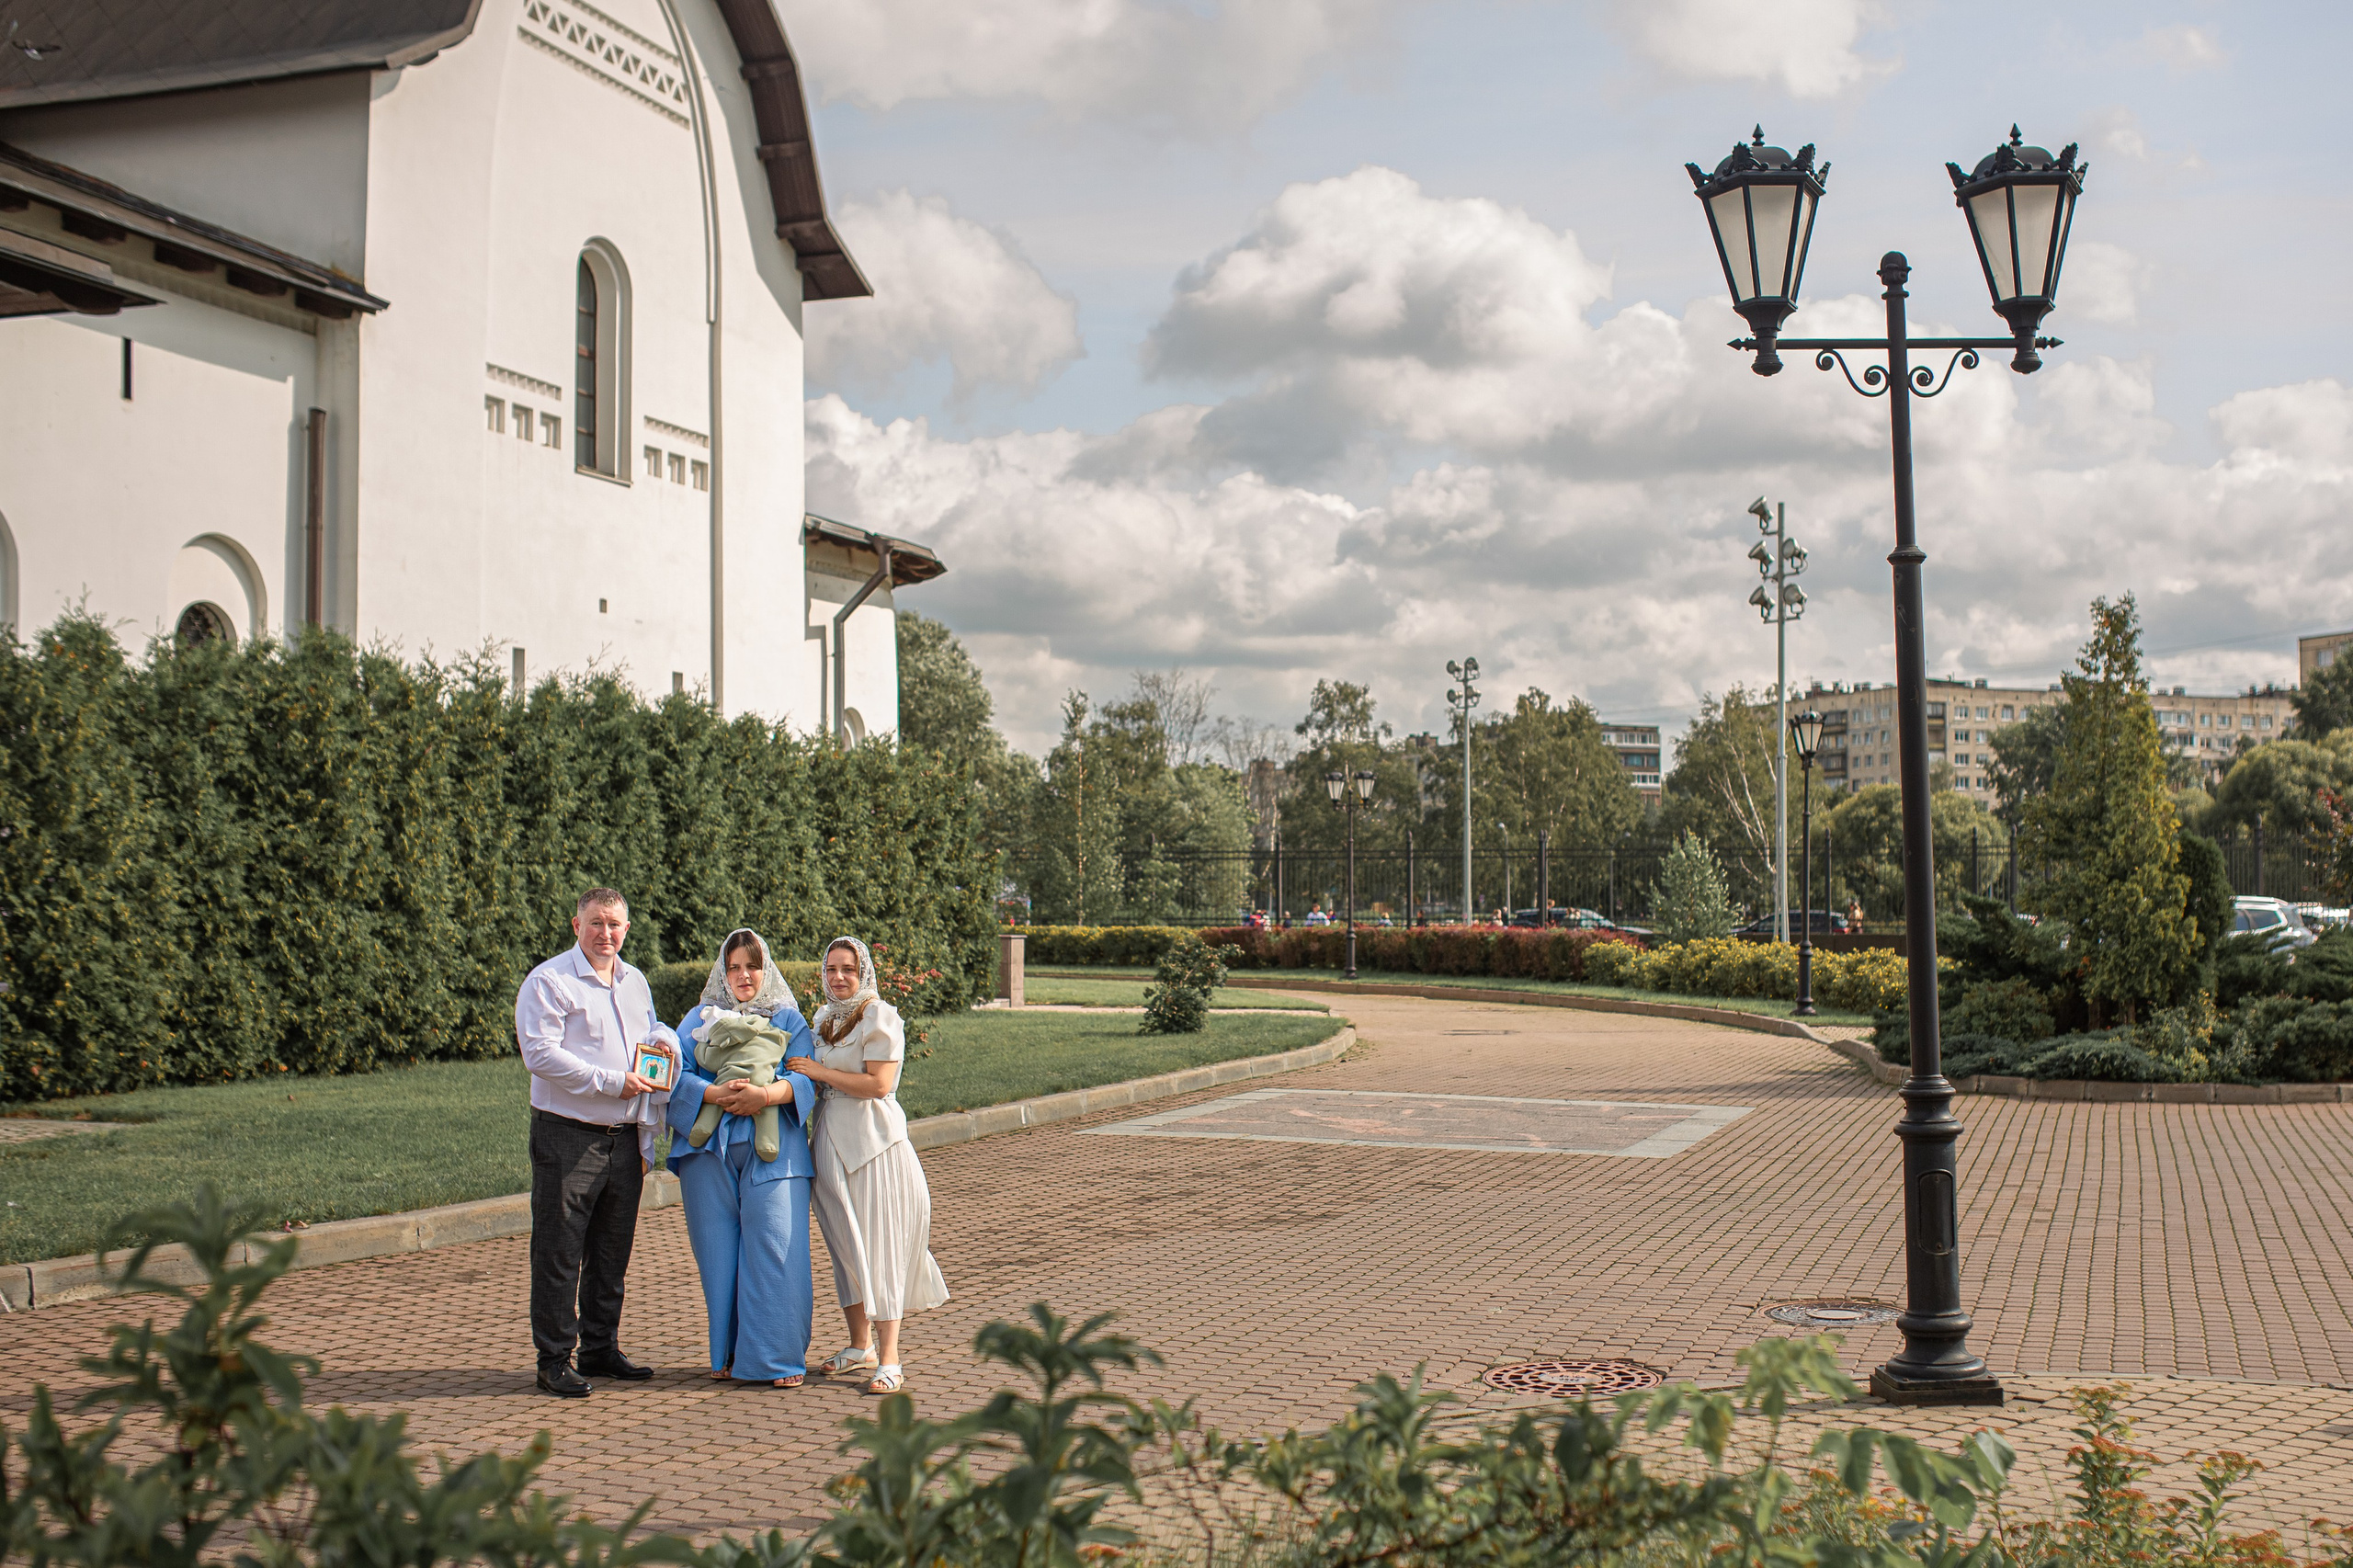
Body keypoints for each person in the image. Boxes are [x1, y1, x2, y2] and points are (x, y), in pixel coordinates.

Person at [515, 888, 676, 1398]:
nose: (606, 933)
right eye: (596, 923)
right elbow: (540, 1054)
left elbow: (650, 1030)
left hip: (623, 1139)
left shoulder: (635, 980)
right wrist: (610, 1082)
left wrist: (666, 1039)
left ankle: (600, 1349)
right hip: (567, 1136)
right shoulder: (549, 981)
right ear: (576, 925)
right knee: (559, 1252)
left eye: (614, 925)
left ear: (626, 929)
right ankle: (553, 1359)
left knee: (611, 1252)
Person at [787, 936, 949, 1394]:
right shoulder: (822, 1018)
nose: (839, 977)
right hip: (829, 1141)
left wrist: (819, 1073)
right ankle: (861, 1346)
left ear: (864, 973)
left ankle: (891, 1357)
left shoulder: (879, 1015)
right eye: (831, 969)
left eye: (849, 969)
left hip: (875, 1143)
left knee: (881, 1247)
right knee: (845, 1248)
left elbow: (879, 1084)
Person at [668, 928, 819, 1388]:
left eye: (752, 966)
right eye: (733, 967)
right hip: (706, 1153)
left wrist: (765, 1096)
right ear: (723, 971)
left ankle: (779, 1359)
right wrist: (713, 1093)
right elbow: (675, 1075)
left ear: (766, 969)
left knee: (777, 1247)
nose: (743, 975)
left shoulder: (789, 1019)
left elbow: (807, 1079)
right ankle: (728, 1353)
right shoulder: (697, 1018)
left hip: (775, 1152)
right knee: (718, 1255)